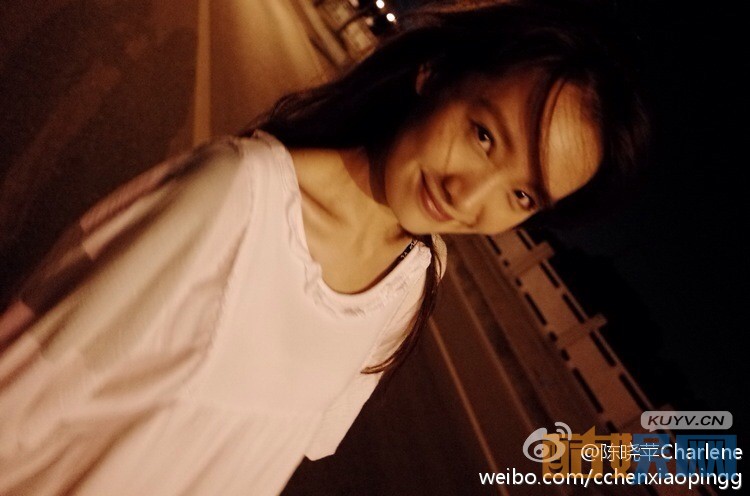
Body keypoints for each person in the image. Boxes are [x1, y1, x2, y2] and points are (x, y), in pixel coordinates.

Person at [0, 0, 649, 494]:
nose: (469, 194)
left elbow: (260, 459)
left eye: (521, 195)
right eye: (484, 136)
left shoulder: (412, 282)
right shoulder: (234, 196)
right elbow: (24, 386)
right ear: (435, 74)